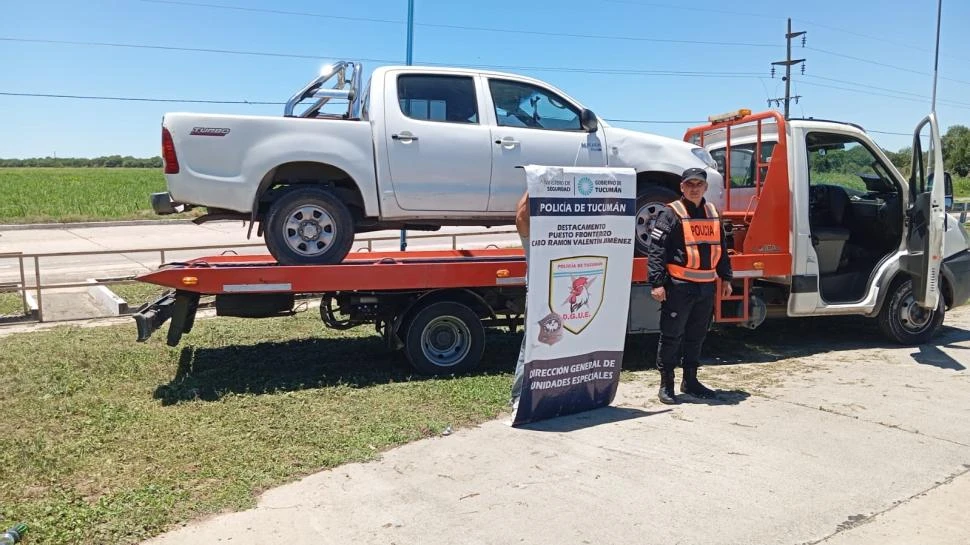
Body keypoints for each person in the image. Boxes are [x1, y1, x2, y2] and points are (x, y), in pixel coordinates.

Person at [646, 167, 733, 404]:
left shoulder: (712, 212)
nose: (694, 188)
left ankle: (691, 381)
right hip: (679, 286)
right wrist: (656, 283)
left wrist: (726, 276)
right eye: (689, 184)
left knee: (697, 336)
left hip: (706, 288)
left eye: (699, 184)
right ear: (682, 187)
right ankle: (667, 385)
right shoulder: (670, 213)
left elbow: (722, 247)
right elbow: (656, 251)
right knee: (672, 335)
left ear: (705, 187)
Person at [510, 191, 530, 409]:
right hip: (541, 294)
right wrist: (537, 184)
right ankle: (519, 396)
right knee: (533, 343)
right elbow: (521, 217)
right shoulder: (535, 237)